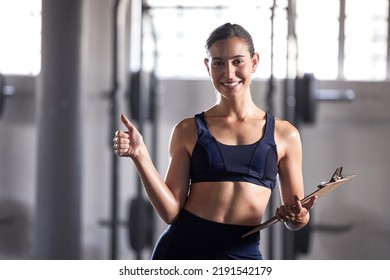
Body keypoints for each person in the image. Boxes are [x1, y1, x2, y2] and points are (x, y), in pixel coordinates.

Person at [113, 23, 316, 260]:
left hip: (243, 256)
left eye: (238, 61)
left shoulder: (285, 134)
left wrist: (300, 218)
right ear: (208, 66)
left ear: (254, 62)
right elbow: (170, 213)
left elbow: (295, 216)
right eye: (218, 62)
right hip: (182, 251)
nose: (229, 73)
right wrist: (140, 155)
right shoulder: (188, 130)